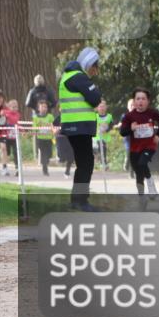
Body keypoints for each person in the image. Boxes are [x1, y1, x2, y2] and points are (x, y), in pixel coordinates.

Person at [58, 46, 103, 211]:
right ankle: (80, 201)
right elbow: (95, 98)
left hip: (75, 127)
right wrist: (95, 90)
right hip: (79, 127)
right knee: (86, 163)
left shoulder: (69, 76)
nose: (95, 72)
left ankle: (77, 200)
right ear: (89, 63)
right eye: (95, 67)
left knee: (84, 163)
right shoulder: (78, 77)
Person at [119, 88, 159, 207]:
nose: (140, 101)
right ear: (134, 101)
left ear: (148, 101)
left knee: (142, 163)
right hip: (134, 149)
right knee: (139, 174)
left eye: (143, 99)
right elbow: (122, 132)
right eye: (138, 99)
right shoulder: (129, 116)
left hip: (149, 146)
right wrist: (131, 128)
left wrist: (158, 135)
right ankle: (141, 197)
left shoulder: (152, 113)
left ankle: (150, 184)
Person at [32, 99, 56, 176]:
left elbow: (53, 125)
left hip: (49, 138)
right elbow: (34, 127)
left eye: (45, 107)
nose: (44, 108)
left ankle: (45, 163)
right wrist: (34, 132)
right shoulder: (36, 118)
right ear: (38, 108)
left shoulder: (50, 116)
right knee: (43, 153)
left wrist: (54, 131)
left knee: (49, 154)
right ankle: (45, 168)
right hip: (40, 139)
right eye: (42, 107)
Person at [94, 99, 113, 171]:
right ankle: (103, 163)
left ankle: (103, 163)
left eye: (103, 106)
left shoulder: (109, 116)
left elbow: (111, 126)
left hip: (106, 137)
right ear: (97, 108)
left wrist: (106, 130)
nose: (102, 108)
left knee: (104, 150)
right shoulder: (95, 116)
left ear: (106, 107)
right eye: (100, 106)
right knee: (101, 148)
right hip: (97, 137)